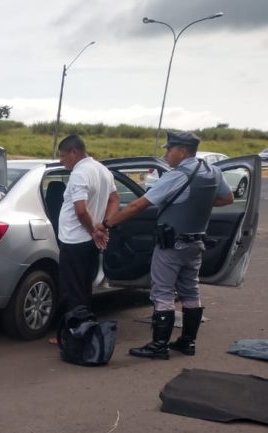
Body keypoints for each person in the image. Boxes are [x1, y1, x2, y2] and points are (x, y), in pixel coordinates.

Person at [99, 131, 234, 359]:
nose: (166, 154)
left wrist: (107, 224)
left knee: (162, 292)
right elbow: (227, 198)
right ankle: (187, 342)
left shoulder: (176, 176)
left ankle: (159, 345)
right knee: (191, 291)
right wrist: (196, 204)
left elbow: (137, 206)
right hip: (196, 243)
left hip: (172, 245)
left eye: (168, 149)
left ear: (182, 151)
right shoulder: (213, 172)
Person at [55, 134, 119, 314]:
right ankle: (84, 329)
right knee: (84, 288)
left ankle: (73, 335)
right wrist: (104, 226)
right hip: (89, 242)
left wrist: (94, 230)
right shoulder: (103, 170)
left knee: (72, 290)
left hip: (74, 240)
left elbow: (81, 210)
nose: (61, 161)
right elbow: (115, 200)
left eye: (62, 156)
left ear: (73, 153)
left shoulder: (79, 173)